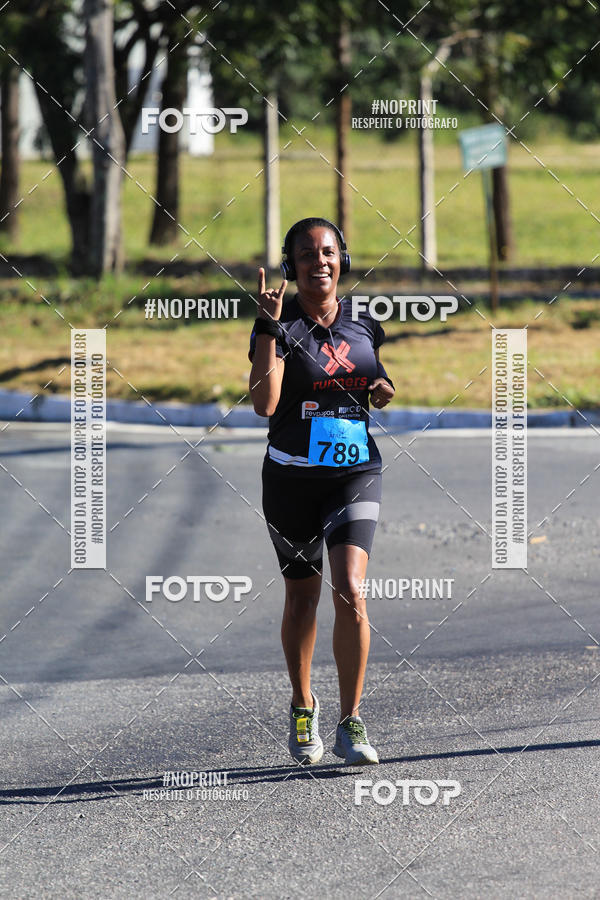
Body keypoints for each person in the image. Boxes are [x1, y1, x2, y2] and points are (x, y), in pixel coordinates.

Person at [248, 217, 394, 766]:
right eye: (306, 255)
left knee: (351, 590)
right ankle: (302, 703)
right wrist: (266, 326)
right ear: (291, 267)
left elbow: (374, 372)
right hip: (290, 479)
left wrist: (381, 387)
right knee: (303, 597)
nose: (319, 262)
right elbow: (264, 404)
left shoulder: (362, 322)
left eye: (328, 252)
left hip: (354, 471)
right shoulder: (277, 326)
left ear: (343, 259)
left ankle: (351, 722)